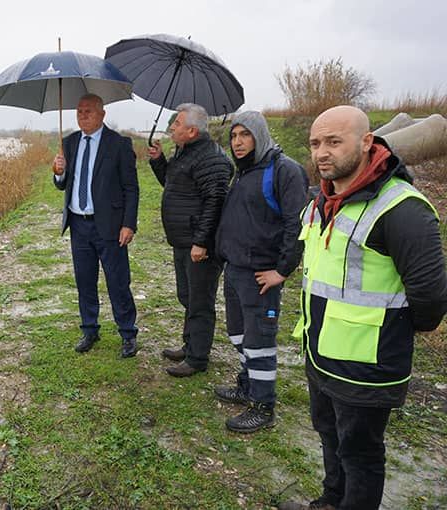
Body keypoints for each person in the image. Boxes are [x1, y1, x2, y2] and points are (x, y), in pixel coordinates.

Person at [279, 106, 447, 510]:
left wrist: (387, 336)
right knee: (328, 435)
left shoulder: (402, 208)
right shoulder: (323, 199)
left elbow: (431, 298)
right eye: (316, 143)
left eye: (334, 142)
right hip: (320, 354)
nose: (322, 152)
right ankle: (330, 500)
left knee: (361, 455)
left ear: (367, 142)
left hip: (367, 367)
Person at [213, 111, 308, 433]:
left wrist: (282, 271)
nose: (238, 142)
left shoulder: (284, 170)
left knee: (259, 341)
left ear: (260, 135)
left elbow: (298, 224)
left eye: (245, 135)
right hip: (235, 268)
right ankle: (247, 386)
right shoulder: (243, 172)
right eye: (234, 136)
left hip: (261, 276)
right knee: (238, 335)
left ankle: (263, 405)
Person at [148, 103, 232, 377]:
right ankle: (190, 344)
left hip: (199, 245)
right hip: (183, 240)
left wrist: (202, 242)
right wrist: (159, 160)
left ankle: (197, 358)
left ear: (192, 131)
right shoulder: (186, 152)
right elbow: (173, 184)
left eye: (177, 124)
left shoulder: (212, 159)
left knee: (200, 301)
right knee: (187, 295)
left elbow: (215, 203)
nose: (172, 127)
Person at [53, 94, 140, 358]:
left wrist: (128, 224)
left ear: (102, 114)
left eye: (88, 111)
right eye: (79, 111)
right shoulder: (69, 143)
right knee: (84, 281)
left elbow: (131, 188)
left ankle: (127, 333)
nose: (82, 116)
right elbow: (62, 185)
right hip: (79, 225)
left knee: (117, 281)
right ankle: (89, 329)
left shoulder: (119, 144)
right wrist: (59, 172)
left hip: (110, 226)